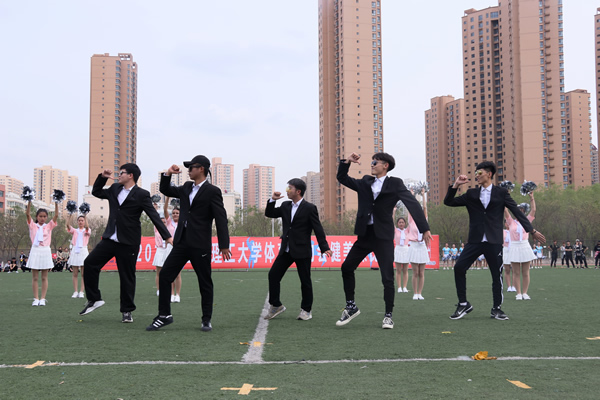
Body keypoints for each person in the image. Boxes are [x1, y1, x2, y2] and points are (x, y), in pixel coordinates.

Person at [335, 152, 431, 329]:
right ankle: (351, 306)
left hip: (383, 237)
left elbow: (412, 204)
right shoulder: (365, 181)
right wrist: (347, 162)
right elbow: (342, 178)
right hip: (365, 235)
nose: (372, 164)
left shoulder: (395, 183)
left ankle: (388, 315)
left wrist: (424, 228)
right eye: (372, 162)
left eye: (375, 162)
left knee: (387, 277)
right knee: (346, 267)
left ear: (385, 166)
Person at [444, 161, 545, 320]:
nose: (476, 176)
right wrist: (456, 185)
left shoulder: (501, 193)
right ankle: (463, 304)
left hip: (494, 241)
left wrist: (531, 230)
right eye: (475, 173)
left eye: (479, 173)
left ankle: (496, 309)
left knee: (496, 275)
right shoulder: (471, 194)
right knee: (459, 267)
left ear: (489, 174)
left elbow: (516, 212)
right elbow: (448, 202)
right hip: (475, 240)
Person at [146, 156, 230, 332]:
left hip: (200, 244)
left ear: (201, 169)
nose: (188, 170)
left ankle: (206, 319)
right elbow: (165, 189)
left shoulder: (213, 191)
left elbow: (221, 218)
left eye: (191, 167)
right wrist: (168, 174)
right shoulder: (186, 187)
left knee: (204, 282)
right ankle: (164, 315)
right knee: (165, 275)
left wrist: (224, 244)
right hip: (181, 242)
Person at [80, 164, 172, 323]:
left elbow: (153, 216)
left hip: (129, 242)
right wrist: (102, 178)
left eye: (121, 172)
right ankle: (94, 299)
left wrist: (167, 236)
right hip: (110, 239)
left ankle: (127, 311)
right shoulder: (114, 189)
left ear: (131, 175)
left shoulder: (142, 194)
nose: (118, 175)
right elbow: (96, 192)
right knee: (89, 263)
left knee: (127, 276)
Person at [263, 178, 332, 321]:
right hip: (286, 250)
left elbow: (318, 229)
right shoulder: (285, 205)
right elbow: (270, 213)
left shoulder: (309, 208)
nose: (287, 191)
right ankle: (276, 305)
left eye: (290, 188)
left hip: (302, 250)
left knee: (305, 281)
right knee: (273, 275)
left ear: (298, 191)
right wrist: (272, 200)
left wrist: (324, 247)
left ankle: (306, 310)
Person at [26, 200, 59, 306]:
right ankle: (36, 298)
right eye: (40, 216)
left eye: (44, 216)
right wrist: (29, 201)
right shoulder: (32, 225)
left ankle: (43, 298)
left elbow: (56, 215)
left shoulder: (49, 226)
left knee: (44, 277)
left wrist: (56, 202)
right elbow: (27, 214)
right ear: (37, 216)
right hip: (35, 250)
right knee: (35, 277)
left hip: (45, 250)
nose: (42, 218)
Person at [505, 193, 537, 301]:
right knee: (516, 272)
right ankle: (518, 293)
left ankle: (525, 293)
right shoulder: (510, 221)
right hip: (514, 246)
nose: (520, 212)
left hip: (524, 245)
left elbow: (533, 210)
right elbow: (505, 210)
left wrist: (531, 198)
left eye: (522, 211)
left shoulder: (527, 220)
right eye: (518, 211)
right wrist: (506, 194)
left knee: (525, 272)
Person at [408, 188, 429, 300]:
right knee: (415, 272)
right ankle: (415, 293)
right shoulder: (411, 220)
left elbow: (425, 208)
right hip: (414, 245)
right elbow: (411, 207)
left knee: (421, 272)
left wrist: (423, 195)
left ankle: (420, 293)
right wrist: (412, 196)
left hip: (422, 246)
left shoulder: (425, 220)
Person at [66, 214, 91, 298]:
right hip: (75, 250)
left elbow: (87, 228)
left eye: (82, 220)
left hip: (83, 250)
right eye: (79, 220)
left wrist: (85, 216)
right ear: (77, 222)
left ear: (84, 221)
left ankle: (81, 291)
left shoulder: (87, 230)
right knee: (75, 273)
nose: (80, 222)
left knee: (83, 273)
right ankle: (75, 291)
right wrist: (69, 216)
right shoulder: (75, 231)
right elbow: (68, 225)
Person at [163, 198, 182, 302]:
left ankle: (178, 294)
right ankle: (171, 294)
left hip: (179, 249)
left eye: (177, 213)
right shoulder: (169, 222)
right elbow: (165, 210)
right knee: (169, 272)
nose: (175, 215)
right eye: (173, 213)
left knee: (178, 273)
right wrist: (167, 198)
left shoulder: (182, 224)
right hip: (169, 248)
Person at [394, 217, 410, 291]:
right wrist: (394, 212)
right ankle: (399, 287)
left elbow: (411, 222)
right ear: (397, 223)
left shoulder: (407, 230)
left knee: (405, 270)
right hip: (398, 249)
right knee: (398, 270)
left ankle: (405, 287)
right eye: (399, 222)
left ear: (405, 223)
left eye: (402, 222)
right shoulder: (396, 230)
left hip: (406, 249)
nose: (401, 224)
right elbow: (391, 220)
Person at [503, 227, 515, 292]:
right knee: (507, 270)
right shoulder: (503, 232)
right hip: (506, 249)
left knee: (514, 270)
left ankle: (514, 286)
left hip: (514, 249)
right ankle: (509, 286)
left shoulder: (514, 230)